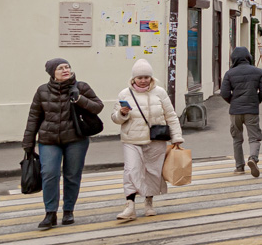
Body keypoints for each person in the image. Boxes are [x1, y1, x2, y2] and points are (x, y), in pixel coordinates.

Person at [22, 58, 104, 230]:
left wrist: (80, 99)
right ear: (53, 72)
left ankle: (68, 211)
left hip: (76, 139)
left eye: (67, 67)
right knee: (49, 173)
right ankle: (50, 213)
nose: (65, 70)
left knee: (72, 175)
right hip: (49, 140)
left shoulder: (81, 87)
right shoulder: (42, 91)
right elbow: (34, 117)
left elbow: (98, 107)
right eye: (61, 68)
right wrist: (28, 143)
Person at [109, 60, 184, 221]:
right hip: (132, 139)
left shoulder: (160, 92)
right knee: (131, 170)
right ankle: (130, 206)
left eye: (146, 77)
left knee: (152, 171)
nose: (143, 80)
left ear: (151, 78)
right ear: (133, 78)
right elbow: (115, 118)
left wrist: (177, 137)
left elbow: (170, 115)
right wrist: (122, 113)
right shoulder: (125, 94)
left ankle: (149, 202)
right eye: (139, 77)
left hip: (156, 139)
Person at [220, 45, 262, 176]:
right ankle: (253, 158)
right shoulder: (258, 72)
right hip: (251, 110)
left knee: (237, 139)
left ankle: (239, 167)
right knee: (254, 138)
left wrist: (233, 101)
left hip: (235, 111)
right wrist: (256, 100)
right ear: (249, 57)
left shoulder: (229, 73)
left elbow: (224, 92)